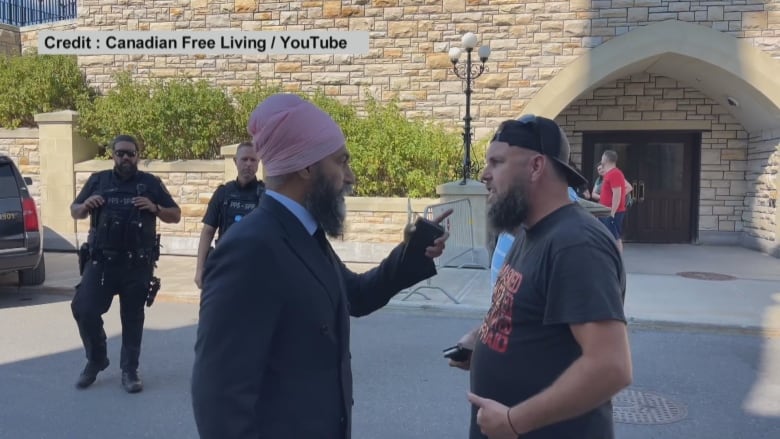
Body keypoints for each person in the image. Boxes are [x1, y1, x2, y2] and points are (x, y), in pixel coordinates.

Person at [190, 93, 451, 439]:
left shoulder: (303, 231)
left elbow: (356, 295)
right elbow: (218, 398)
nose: (349, 176)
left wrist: (412, 251)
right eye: (341, 162)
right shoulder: (250, 248)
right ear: (307, 166)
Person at [452, 115, 632, 439]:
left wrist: (513, 422)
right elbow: (527, 310)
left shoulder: (576, 244)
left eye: (497, 162)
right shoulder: (530, 231)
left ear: (536, 167)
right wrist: (481, 337)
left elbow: (611, 367)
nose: (484, 175)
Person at [70, 134, 181, 393]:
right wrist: (85, 205)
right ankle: (96, 359)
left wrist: (155, 208)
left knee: (133, 318)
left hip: (136, 264)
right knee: (83, 309)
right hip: (101, 263)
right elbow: (74, 210)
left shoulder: (150, 184)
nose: (126, 158)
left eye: (131, 153)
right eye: (121, 153)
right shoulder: (98, 181)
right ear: (113, 155)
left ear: (138, 155)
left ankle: (130, 371)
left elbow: (175, 215)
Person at [194, 142, 264, 289]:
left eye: (253, 160)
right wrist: (200, 270)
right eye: (244, 159)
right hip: (225, 266)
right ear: (235, 161)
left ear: (258, 162)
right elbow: (207, 232)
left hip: (256, 269)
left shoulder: (266, 195)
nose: (248, 164)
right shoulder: (223, 193)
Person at [597, 150, 629, 252]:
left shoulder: (615, 173)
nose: (601, 160)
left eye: (602, 157)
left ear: (606, 159)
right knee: (608, 236)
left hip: (612, 211)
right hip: (606, 210)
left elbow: (617, 194)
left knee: (615, 237)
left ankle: (617, 260)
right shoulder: (609, 173)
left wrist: (612, 212)